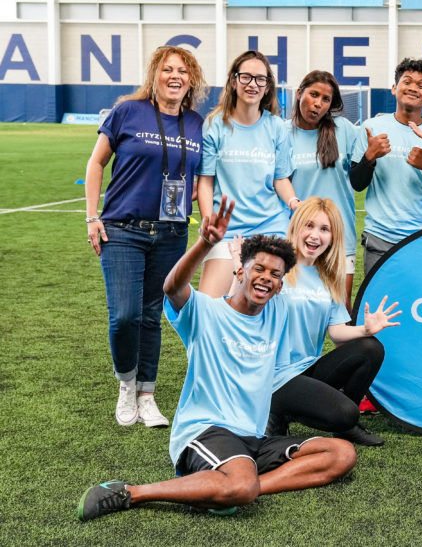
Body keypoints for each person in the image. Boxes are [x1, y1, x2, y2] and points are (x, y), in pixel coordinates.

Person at [77, 200, 359, 521]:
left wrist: (320, 239)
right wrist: (206, 243)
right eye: (259, 269)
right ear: (240, 271)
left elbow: (306, 262)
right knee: (240, 486)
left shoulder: (277, 312)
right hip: (207, 431)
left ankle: (236, 486)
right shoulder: (204, 312)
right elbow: (172, 287)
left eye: (275, 275)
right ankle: (131, 491)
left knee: (341, 453)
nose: (266, 278)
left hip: (254, 438)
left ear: (281, 285)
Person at [84, 45, 207, 428]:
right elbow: (96, 162)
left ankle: (147, 394)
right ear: (155, 74)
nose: (175, 76)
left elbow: (202, 178)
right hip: (122, 229)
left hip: (171, 233)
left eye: (182, 71)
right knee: (125, 316)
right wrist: (92, 217)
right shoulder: (128, 111)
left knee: (152, 315)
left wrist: (206, 218)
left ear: (192, 80)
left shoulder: (198, 124)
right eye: (168, 69)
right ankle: (126, 382)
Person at [267, 198, 400, 446]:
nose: (315, 235)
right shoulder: (277, 267)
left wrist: (365, 329)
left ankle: (344, 427)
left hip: (307, 370)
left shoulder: (328, 277)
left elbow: (336, 331)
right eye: (309, 225)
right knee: (346, 413)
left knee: (371, 347)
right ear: (296, 226)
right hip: (274, 376)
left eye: (324, 229)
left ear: (332, 237)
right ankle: (276, 412)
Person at [197, 50, 299, 297]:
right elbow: (206, 182)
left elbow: (280, 179)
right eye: (246, 77)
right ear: (234, 81)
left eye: (260, 79)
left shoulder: (276, 127)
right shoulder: (214, 125)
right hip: (228, 231)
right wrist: (210, 221)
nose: (252, 84)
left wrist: (294, 202)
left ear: (267, 87)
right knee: (208, 308)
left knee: (273, 308)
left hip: (271, 227)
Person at [350, 58, 422, 274]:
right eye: (407, 81)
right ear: (395, 88)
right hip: (379, 239)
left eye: (421, 85)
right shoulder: (371, 128)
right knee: (378, 306)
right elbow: (357, 183)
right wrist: (369, 157)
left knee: (421, 305)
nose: (413, 88)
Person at [289, 71, 363, 306]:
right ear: (300, 93)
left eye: (325, 99)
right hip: (296, 238)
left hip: (340, 238)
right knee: (295, 309)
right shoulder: (282, 133)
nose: (318, 104)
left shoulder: (344, 129)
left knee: (340, 311)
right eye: (313, 95)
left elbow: (362, 176)